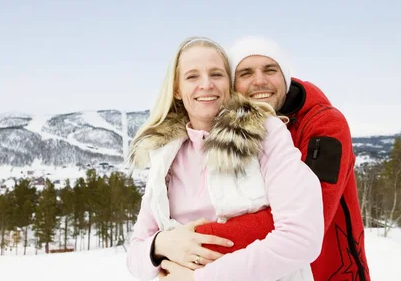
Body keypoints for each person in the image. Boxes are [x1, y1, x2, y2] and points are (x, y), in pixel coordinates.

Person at [126, 36, 324, 281]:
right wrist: (160, 244)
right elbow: (135, 255)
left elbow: (302, 237)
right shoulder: (165, 153)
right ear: (177, 89)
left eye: (216, 74)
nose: (206, 84)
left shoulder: (266, 133)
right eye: (192, 76)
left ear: (228, 84)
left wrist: (201, 278)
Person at [218, 35, 371, 281]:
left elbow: (310, 217)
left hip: (329, 273)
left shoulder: (325, 126)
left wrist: (194, 240)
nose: (260, 80)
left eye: (270, 70)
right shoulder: (232, 130)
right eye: (246, 73)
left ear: (285, 77)